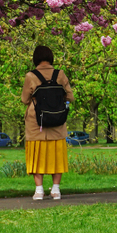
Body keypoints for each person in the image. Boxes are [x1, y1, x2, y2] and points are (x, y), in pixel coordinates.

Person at [22, 45, 75, 201]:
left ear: (35, 59)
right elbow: (70, 97)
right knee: (56, 153)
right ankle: (56, 189)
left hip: (36, 122)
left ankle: (39, 190)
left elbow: (24, 99)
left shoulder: (31, 76)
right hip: (56, 120)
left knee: (36, 153)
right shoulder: (60, 74)